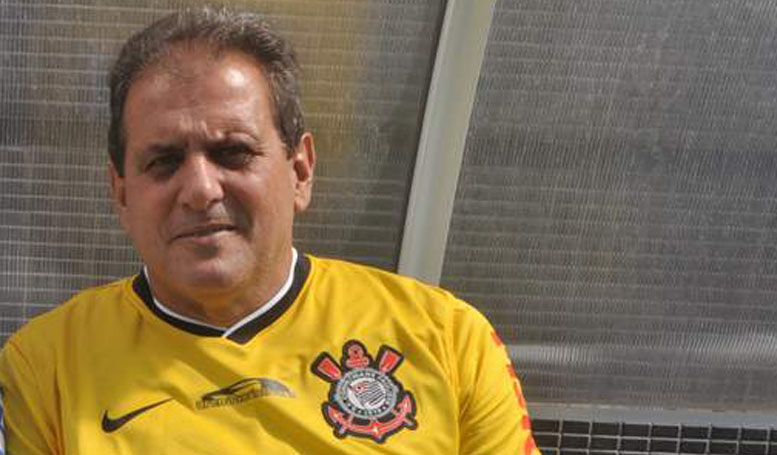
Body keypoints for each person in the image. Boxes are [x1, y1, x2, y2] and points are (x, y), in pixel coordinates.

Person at [0, 6, 538, 455]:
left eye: (233, 152)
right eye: (163, 161)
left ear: (300, 170)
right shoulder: (45, 367)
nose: (200, 189)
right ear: (121, 192)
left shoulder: (447, 339)